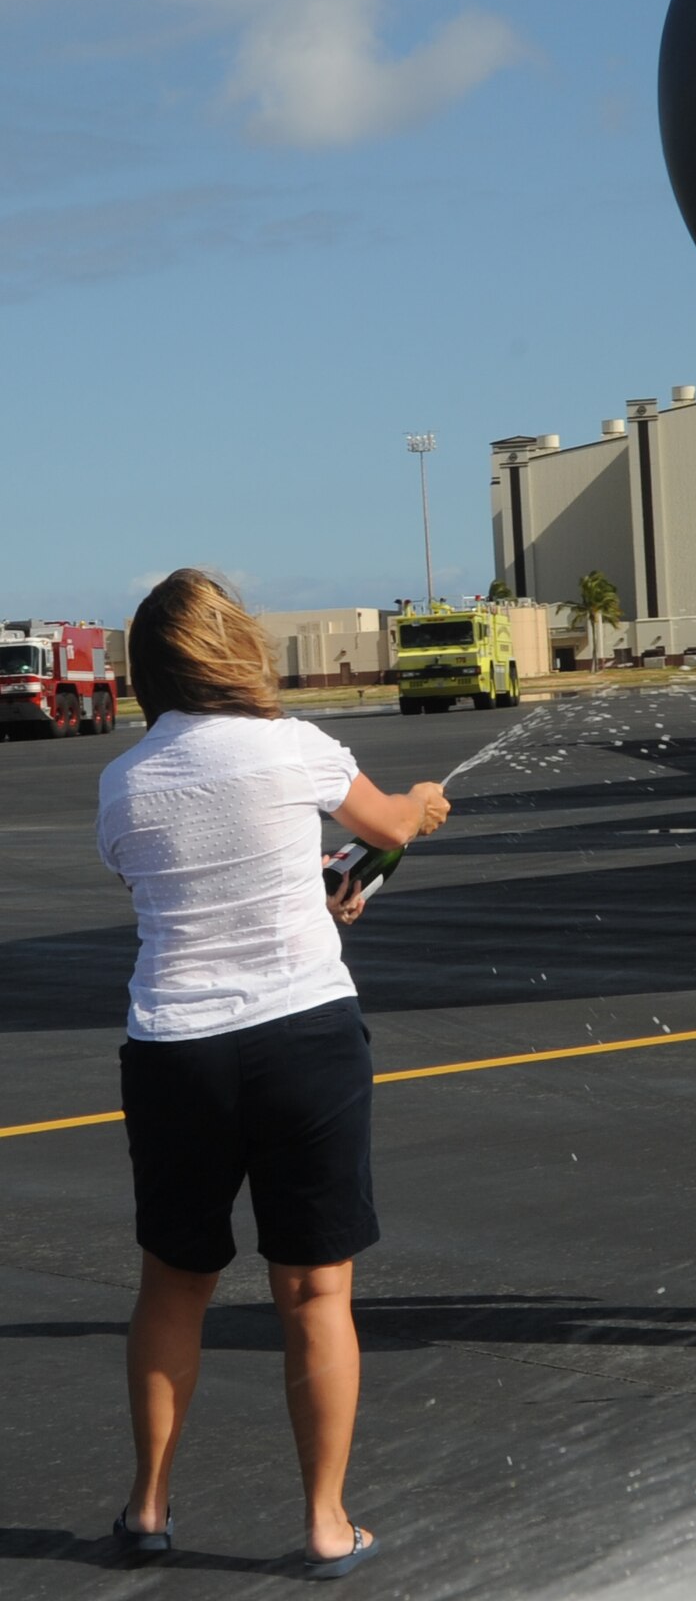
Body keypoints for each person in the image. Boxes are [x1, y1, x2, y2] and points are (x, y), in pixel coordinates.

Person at [96, 569, 451, 1577]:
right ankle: (327, 1522)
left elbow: (162, 879)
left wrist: (309, 880)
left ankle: (148, 1504)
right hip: (302, 1036)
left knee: (174, 1280)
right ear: (236, 646)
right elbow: (384, 829)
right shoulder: (298, 745)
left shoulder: (122, 780)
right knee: (313, 1287)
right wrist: (418, 808)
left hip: (174, 1046)